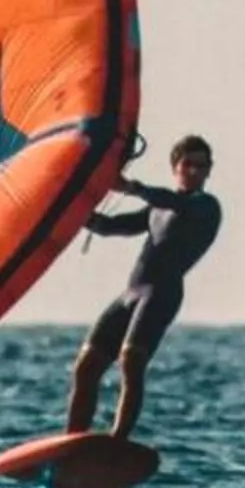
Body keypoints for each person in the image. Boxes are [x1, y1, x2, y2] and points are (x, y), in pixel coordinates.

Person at [66, 135, 220, 443]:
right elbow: (108, 227)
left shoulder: (206, 207)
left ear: (208, 171)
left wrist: (132, 187)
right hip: (130, 294)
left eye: (201, 167)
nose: (193, 172)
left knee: (131, 362)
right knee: (87, 366)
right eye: (187, 164)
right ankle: (72, 441)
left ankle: (117, 440)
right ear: (175, 167)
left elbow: (170, 200)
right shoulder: (155, 211)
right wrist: (73, 203)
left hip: (161, 295)